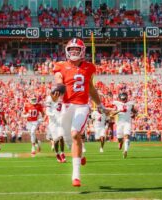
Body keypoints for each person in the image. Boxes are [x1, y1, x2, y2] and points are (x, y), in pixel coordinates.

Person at [51, 38, 107, 187]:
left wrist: (100, 105)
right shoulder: (60, 65)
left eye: (77, 49)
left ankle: (76, 175)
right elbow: (58, 80)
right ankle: (80, 155)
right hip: (66, 106)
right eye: (71, 49)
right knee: (67, 137)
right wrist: (56, 89)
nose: (74, 52)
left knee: (76, 133)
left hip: (81, 106)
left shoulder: (89, 67)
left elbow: (91, 88)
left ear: (82, 51)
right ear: (67, 51)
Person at [111, 92, 137, 158]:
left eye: (124, 98)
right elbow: (112, 114)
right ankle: (121, 143)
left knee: (127, 136)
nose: (124, 100)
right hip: (120, 123)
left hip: (127, 122)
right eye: (122, 99)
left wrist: (134, 115)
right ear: (120, 98)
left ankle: (125, 151)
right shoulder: (117, 103)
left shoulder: (130, 104)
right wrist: (119, 110)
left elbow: (134, 111)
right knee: (119, 138)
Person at [45, 94, 66, 163]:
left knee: (61, 136)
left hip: (60, 120)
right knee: (56, 140)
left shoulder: (62, 98)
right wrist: (53, 115)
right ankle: (57, 154)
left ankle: (62, 153)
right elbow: (47, 111)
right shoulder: (49, 99)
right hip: (53, 122)